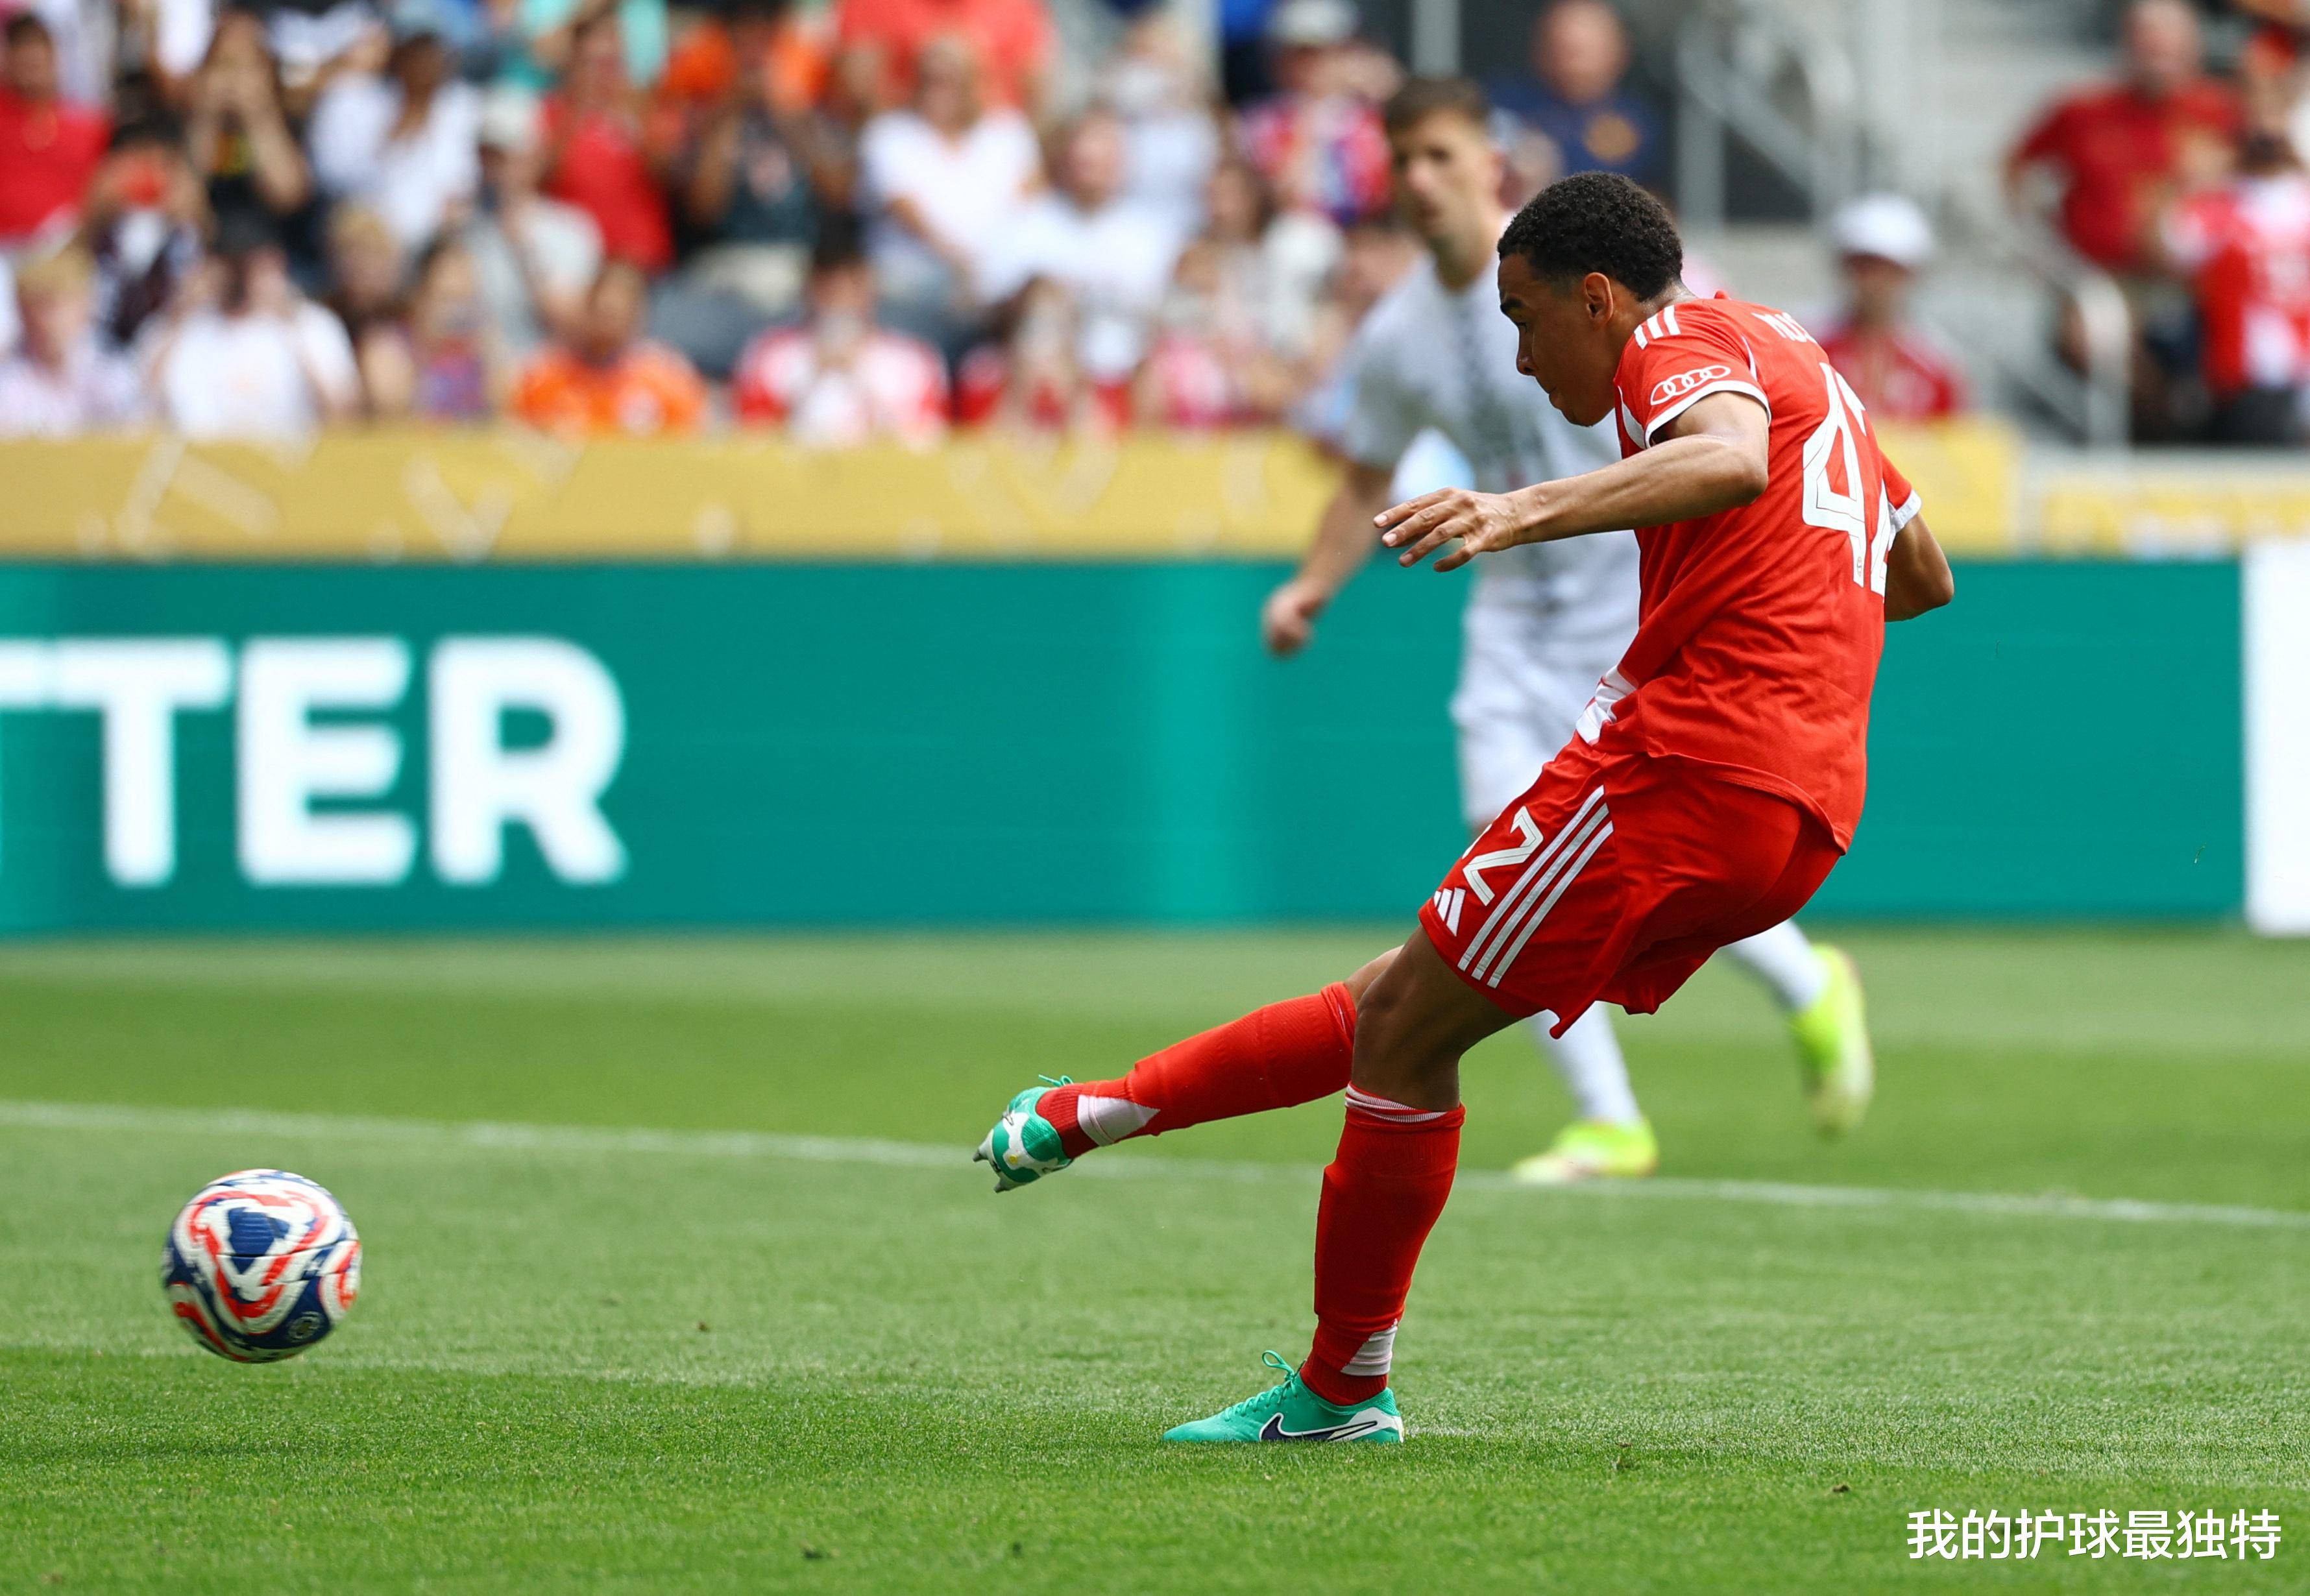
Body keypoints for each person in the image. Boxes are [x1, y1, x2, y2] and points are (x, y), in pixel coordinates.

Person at [975, 169, 1953, 1444]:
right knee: (1405, 1000)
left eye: (1524, 317)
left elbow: (1723, 460)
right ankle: (1096, 1112)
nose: (1520, 353)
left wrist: (1515, 509)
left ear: (1597, 299)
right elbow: (1920, 573)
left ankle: (1339, 1388)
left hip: (1685, 766)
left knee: (1402, 1035)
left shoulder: (1682, 339)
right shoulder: (1791, 346)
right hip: (1806, 805)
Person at [1261, 79, 1877, 1185]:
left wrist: (1515, 513)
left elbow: (1724, 397)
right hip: (1511, 609)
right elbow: (1364, 474)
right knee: (1511, 846)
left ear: (1487, 161)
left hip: (1631, 593)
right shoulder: (1400, 330)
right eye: (1399, 162)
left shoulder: (1576, 266)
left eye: (1439, 156)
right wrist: (1312, 584)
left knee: (1634, 852)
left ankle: (1806, 985)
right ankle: (1610, 1117)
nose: (1418, 181)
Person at [2006, 0, 2241, 276]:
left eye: (2169, 40)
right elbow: (2017, 168)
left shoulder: (2223, 111)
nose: (2159, 48)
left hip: (2195, 279)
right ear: (2127, 41)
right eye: (2148, 38)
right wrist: (2043, 235)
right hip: (2098, 272)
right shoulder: (2083, 110)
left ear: (2193, 44)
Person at [975, 108, 1182, 391]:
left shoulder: (1153, 234)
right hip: (1043, 377)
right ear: (1066, 159)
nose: (1093, 172)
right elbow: (990, 307)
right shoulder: (1027, 224)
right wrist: (1032, 294)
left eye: (1104, 160)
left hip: (1128, 378)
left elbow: (1169, 318)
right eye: (1085, 161)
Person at [856, 34, 1038, 345]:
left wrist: (994, 272)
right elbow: (907, 212)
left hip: (995, 286)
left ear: (976, 82)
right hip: (913, 283)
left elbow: (1030, 203)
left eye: (950, 80)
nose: (937, 90)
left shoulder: (1009, 131)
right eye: (929, 79)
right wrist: (968, 267)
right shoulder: (889, 133)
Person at [729, 228, 947, 444]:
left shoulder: (913, 360)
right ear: (808, 287)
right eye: (827, 283)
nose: (840, 293)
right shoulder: (769, 354)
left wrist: (859, 379)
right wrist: (813, 378)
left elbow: (929, 445)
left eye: (852, 281)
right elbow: (750, 440)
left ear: (871, 286)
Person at [148, 217, 363, 437]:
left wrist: (288, 320)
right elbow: (141, 411)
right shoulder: (181, 326)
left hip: (292, 463)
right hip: (201, 463)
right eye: (231, 265)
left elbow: (344, 415)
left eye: (250, 265)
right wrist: (182, 312)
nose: (240, 279)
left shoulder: (312, 325)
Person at [2163, 126, 2310, 444]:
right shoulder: (2222, 207)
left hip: (2265, 367)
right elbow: (2172, 248)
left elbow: (2172, 247)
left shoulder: (2220, 207)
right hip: (2248, 370)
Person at [306, 16, 482, 249]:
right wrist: (396, 133)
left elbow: (461, 187)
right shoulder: (352, 100)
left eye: (432, 55)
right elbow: (333, 178)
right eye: (416, 55)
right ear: (398, 54)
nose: (424, 65)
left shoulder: (460, 108)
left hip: (429, 248)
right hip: (362, 241)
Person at [463, 84, 602, 361]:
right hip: (475, 384)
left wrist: (523, 246)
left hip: (542, 381)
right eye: (486, 156)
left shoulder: (571, 230)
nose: (493, 169)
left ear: (535, 157)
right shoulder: (462, 229)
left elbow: (571, 326)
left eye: (503, 157)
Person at [1812, 193, 1970, 422]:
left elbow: (1952, 440)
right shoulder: (1809, 346)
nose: (1874, 282)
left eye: (1888, 270)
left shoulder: (1936, 365)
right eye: (1864, 267)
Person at [511, 256, 705, 433]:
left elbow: (691, 441)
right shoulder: (544, 375)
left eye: (618, 314)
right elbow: (516, 440)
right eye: (602, 312)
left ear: (637, 315)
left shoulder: (667, 379)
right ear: (587, 308)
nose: (608, 324)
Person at [1488, 0, 1663, 188]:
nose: (1568, 62)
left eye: (1579, 50)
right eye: (1558, 46)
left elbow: (1662, 199)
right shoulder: (1505, 103)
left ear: (1618, 51)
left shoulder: (1639, 120)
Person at [0, 247, 147, 435]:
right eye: (33, 307)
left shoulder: (112, 374)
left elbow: (134, 436)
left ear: (85, 307)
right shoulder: (8, 378)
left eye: (53, 307)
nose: (43, 320)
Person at [0, 14, 112, 245]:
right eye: (22, 48)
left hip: (64, 253)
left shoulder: (89, 128)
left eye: (38, 48)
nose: (31, 58)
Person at [834, 0, 1052, 112]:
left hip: (991, 152)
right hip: (900, 140)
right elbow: (856, 90)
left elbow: (1036, 94)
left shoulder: (1015, 6)